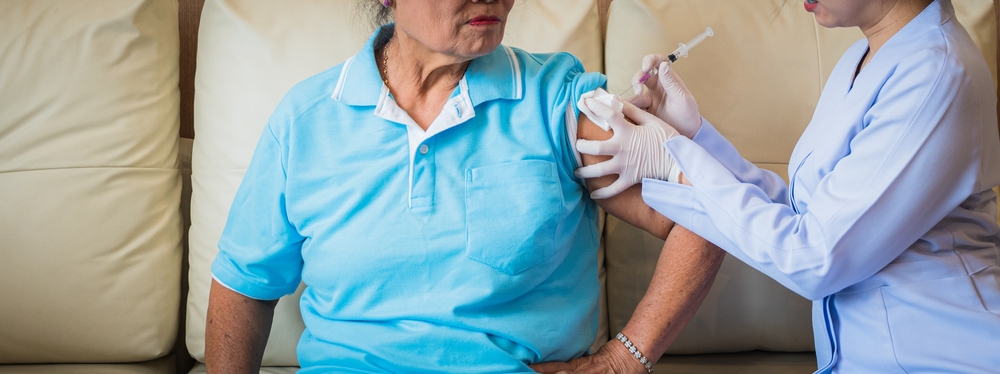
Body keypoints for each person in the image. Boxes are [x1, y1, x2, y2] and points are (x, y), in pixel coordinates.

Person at [204, 0, 725, 373]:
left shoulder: (554, 103)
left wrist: (624, 359)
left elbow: (709, 212)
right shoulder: (307, 120)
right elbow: (244, 286)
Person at [576, 0, 1000, 372]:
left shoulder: (935, 73)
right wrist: (694, 137)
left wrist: (675, 163)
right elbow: (803, 213)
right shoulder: (863, 57)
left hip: (941, 356)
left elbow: (815, 258)